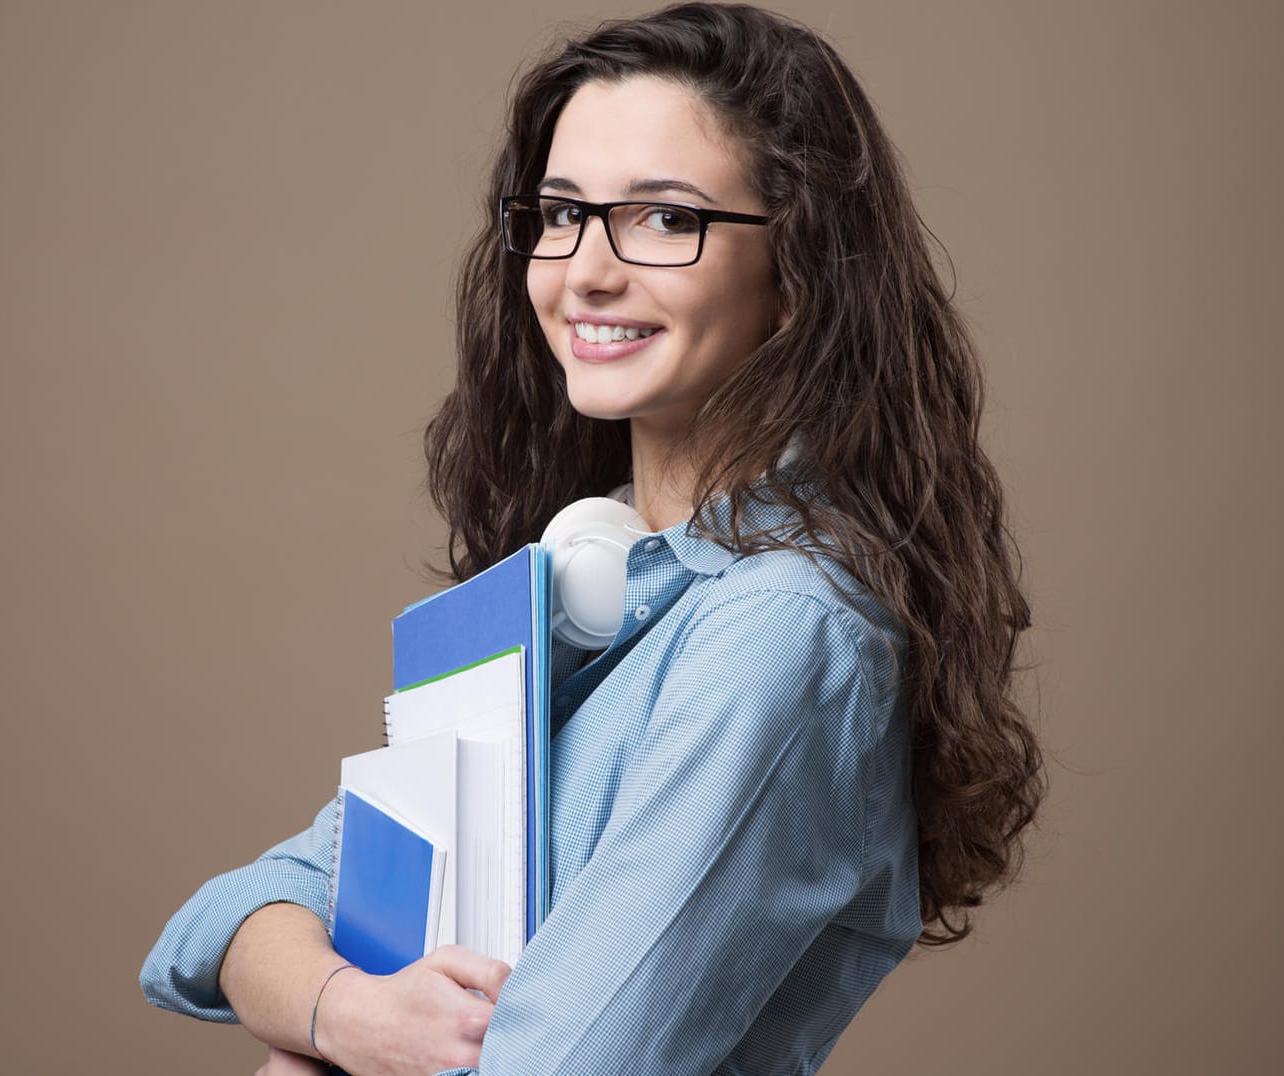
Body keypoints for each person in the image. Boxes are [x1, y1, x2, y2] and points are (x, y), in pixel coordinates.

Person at [140, 4, 1043, 1073]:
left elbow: (559, 1065)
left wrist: (302, 1051)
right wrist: (348, 1015)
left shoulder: (782, 630)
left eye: (666, 220)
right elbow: (222, 921)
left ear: (800, 273)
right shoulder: (571, 583)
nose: (586, 271)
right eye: (562, 212)